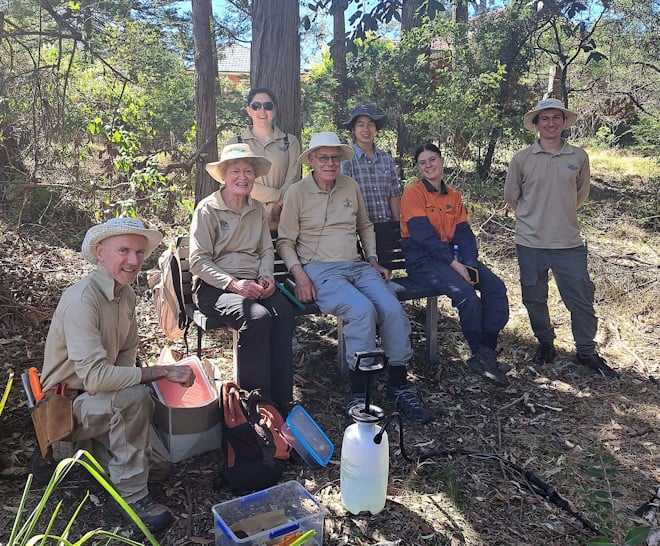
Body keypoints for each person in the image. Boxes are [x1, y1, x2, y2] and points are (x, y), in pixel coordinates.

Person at [39, 217, 196, 533]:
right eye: (123, 250)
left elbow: (126, 354)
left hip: (98, 398)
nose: (133, 260)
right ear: (100, 252)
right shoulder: (82, 301)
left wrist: (116, 382)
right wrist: (162, 372)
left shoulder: (125, 295)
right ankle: (130, 499)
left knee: (160, 467)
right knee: (134, 394)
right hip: (66, 408)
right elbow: (97, 378)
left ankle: (99, 455)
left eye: (139, 253)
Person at [276, 131, 432, 424]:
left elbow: (365, 225)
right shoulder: (297, 192)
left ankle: (399, 383)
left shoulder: (350, 186)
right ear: (311, 160)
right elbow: (285, 241)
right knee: (362, 310)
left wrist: (372, 259)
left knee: (392, 309)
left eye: (335, 157)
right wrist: (300, 275)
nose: (330, 163)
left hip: (356, 265)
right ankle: (360, 391)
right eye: (323, 157)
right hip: (318, 269)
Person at [504, 98, 618, 378]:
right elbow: (511, 197)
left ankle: (586, 352)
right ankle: (546, 344)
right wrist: (534, 218)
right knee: (534, 298)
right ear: (536, 125)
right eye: (545, 119)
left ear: (564, 122)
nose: (551, 123)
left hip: (568, 243)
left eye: (556, 118)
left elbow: (581, 194)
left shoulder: (577, 157)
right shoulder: (522, 158)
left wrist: (559, 216)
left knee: (580, 299)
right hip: (530, 242)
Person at [189, 143, 295, 406]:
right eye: (235, 171)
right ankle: (253, 403)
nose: (243, 177)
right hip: (215, 287)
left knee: (284, 313)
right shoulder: (208, 209)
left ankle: (282, 402)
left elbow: (265, 250)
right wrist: (235, 285)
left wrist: (266, 276)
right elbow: (198, 262)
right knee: (256, 318)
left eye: (248, 171)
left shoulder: (256, 209)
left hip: (253, 284)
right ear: (224, 175)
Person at [400, 143, 510, 387]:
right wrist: (454, 264)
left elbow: (464, 233)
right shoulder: (413, 193)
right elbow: (423, 236)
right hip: (424, 262)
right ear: (418, 168)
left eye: (432, 160)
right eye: (422, 162)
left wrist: (468, 263)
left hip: (453, 258)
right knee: (466, 295)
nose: (428, 165)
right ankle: (476, 353)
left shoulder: (453, 195)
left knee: (495, 288)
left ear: (441, 161)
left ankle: (486, 351)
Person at [227, 87, 301, 230]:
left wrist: (275, 208)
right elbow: (235, 181)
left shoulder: (290, 142)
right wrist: (276, 198)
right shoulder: (235, 143)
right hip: (244, 219)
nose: (262, 111)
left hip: (281, 220)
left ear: (275, 110)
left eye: (267, 106)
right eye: (256, 106)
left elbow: (294, 178)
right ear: (248, 110)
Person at [340, 103, 402, 223]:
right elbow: (344, 199)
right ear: (353, 129)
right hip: (359, 229)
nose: (366, 129)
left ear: (376, 128)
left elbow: (393, 195)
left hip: (386, 226)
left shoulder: (387, 159)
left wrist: (398, 224)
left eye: (370, 124)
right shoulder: (346, 160)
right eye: (360, 125)